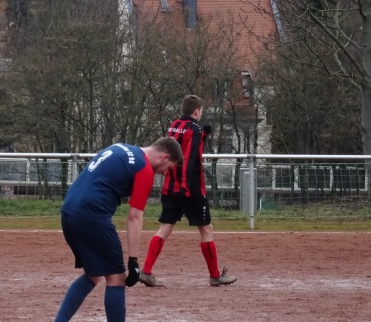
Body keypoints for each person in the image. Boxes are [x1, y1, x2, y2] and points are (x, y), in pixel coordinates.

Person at [54, 137, 183, 322]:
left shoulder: (120, 147)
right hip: (92, 214)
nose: (164, 174)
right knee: (117, 277)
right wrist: (133, 261)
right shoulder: (144, 168)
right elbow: (134, 216)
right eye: (168, 168)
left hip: (68, 212)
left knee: (93, 274)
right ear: (164, 157)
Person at [138, 95, 237, 288]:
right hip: (190, 187)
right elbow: (190, 158)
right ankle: (215, 276)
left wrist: (203, 136)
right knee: (206, 229)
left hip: (170, 185)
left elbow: (179, 147)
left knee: (165, 228)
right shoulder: (195, 128)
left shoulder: (174, 124)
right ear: (197, 111)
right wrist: (186, 186)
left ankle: (146, 271)